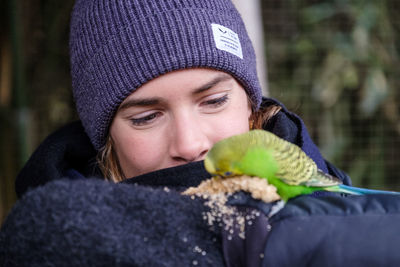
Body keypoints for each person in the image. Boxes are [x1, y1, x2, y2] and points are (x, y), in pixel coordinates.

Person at [1, 0, 400, 266]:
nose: (191, 145)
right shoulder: (47, 244)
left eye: (213, 101)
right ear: (105, 140)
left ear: (251, 105)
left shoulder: (349, 215)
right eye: (146, 117)